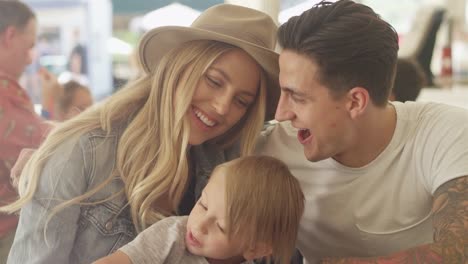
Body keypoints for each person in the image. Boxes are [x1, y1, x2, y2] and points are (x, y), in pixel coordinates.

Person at [0, 4, 280, 263]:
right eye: (214, 81)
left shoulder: (230, 164)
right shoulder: (81, 152)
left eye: (242, 101)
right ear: (180, 67)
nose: (222, 107)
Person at [256, 0, 468, 263]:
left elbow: (457, 252)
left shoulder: (447, 133)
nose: (281, 114)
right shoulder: (269, 155)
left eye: (296, 97)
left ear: (355, 102)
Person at [95, 156, 304, 264]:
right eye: (203, 205)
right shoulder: (172, 234)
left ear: (256, 249)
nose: (200, 225)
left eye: (221, 227)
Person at [0, 1, 55, 261]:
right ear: (10, 36)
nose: (30, 57)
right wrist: (54, 106)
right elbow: (52, 151)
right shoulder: (3, 92)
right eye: (30, 45)